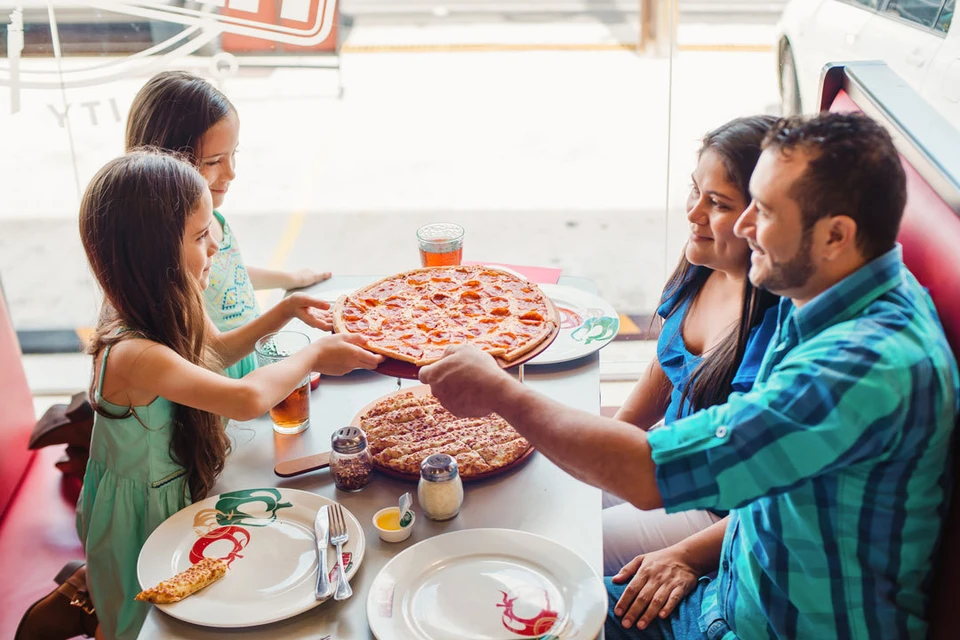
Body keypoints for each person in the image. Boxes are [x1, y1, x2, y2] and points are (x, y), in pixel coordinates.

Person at [419, 112, 959, 639]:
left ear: (836, 236)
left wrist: (500, 392)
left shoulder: (860, 371)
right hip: (729, 590)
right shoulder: (831, 290)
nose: (745, 228)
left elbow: (651, 474)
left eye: (763, 212)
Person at [75, 150, 382, 640]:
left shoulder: (171, 303)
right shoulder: (134, 353)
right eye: (200, 236)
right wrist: (313, 356)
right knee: (145, 619)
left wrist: (284, 313)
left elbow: (214, 352)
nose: (215, 245)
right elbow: (242, 399)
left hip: (175, 489)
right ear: (154, 254)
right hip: (140, 511)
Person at [603, 115, 779, 575]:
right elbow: (664, 367)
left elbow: (769, 498)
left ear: (761, 219)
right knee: (555, 490)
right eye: (694, 190)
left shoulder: (776, 329)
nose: (693, 212)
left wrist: (685, 557)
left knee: (582, 540)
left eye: (717, 203)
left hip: (713, 512)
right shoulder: (703, 264)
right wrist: (610, 442)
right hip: (666, 460)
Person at [125, 70, 332, 378]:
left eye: (233, 154)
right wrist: (287, 311)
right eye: (214, 161)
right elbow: (217, 351)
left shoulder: (209, 221)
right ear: (166, 164)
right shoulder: (170, 250)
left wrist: (289, 277)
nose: (232, 172)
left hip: (252, 362)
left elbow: (226, 272)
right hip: (225, 382)